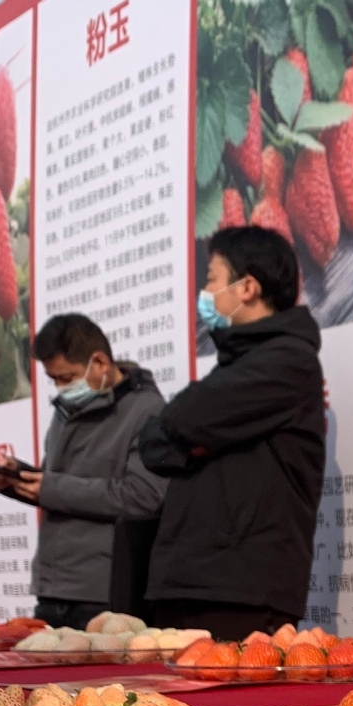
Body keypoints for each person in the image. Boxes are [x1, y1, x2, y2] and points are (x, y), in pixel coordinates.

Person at [138, 225, 325, 638]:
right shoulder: (238, 363)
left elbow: (183, 416)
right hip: (193, 582)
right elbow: (152, 443)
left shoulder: (288, 361)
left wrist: (188, 438)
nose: (205, 293)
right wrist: (193, 446)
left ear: (247, 288)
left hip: (241, 590)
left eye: (211, 279)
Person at [0, 314, 166, 630]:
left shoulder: (147, 410)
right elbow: (63, 486)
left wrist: (51, 488)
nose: (60, 388)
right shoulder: (65, 411)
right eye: (53, 379)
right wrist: (19, 481)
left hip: (103, 594)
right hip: (52, 588)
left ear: (99, 363)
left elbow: (143, 497)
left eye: (66, 378)